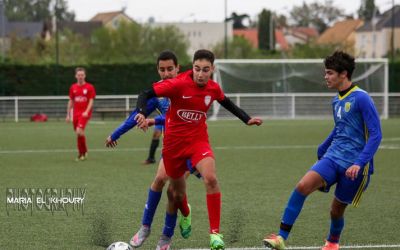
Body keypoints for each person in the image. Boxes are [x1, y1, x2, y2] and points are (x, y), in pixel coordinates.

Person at [134, 49, 263, 250]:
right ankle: (180, 214)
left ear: (212, 69)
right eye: (197, 69)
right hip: (173, 147)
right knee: (176, 195)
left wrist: (246, 119)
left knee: (210, 178)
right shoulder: (177, 83)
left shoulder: (213, 88)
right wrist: (142, 113)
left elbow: (226, 102)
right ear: (191, 67)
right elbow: (145, 93)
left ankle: (215, 234)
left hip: (198, 142)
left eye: (205, 70)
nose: (201, 74)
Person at [263, 51, 382, 250]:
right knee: (302, 186)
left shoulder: (362, 98)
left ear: (343, 74)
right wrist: (323, 147)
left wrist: (359, 163)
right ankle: (281, 238)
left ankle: (332, 243)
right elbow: (340, 127)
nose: (325, 77)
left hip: (355, 166)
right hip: (333, 156)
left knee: (336, 211)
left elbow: (376, 134)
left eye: (329, 73)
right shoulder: (336, 101)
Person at [105, 50, 196, 247]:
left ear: (177, 68)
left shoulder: (188, 88)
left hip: (191, 147)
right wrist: (116, 133)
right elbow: (135, 117)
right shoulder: (158, 94)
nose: (166, 73)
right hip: (171, 148)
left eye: (170, 69)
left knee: (173, 192)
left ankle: (167, 236)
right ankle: (145, 227)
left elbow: (180, 117)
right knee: (159, 180)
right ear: (158, 70)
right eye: (162, 70)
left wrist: (154, 119)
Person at [66, 67, 96, 161]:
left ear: (85, 76)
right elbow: (71, 101)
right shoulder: (73, 87)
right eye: (79, 75)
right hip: (76, 114)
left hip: (84, 114)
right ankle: (85, 150)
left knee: (79, 131)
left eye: (82, 75)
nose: (80, 77)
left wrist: (86, 111)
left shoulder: (89, 87)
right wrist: (68, 114)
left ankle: (81, 154)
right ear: (75, 76)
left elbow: (91, 100)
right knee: (79, 133)